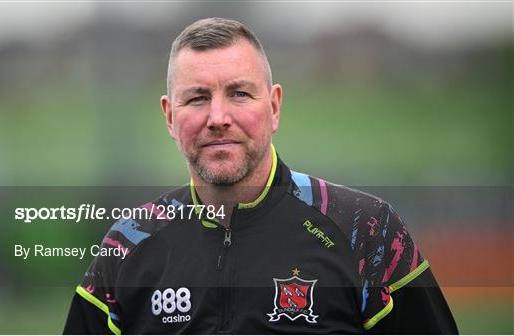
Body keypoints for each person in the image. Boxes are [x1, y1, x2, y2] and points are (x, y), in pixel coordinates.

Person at [64, 17, 458, 334]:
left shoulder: (366, 230)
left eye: (239, 94)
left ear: (274, 107)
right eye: (198, 97)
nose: (218, 118)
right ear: (170, 115)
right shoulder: (128, 244)